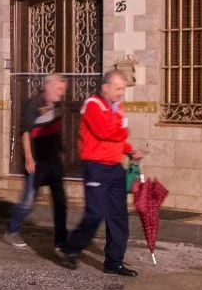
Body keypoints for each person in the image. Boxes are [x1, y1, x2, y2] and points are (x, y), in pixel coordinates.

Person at [62, 71, 145, 276]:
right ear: (105, 87)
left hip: (115, 167)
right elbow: (105, 132)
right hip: (96, 167)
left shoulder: (117, 107)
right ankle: (71, 248)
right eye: (118, 88)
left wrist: (130, 150)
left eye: (123, 89)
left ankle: (114, 262)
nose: (121, 93)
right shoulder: (93, 105)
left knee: (118, 217)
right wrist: (124, 132)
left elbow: (117, 138)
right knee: (96, 213)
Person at [3, 73, 68, 250]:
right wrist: (29, 158)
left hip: (53, 161)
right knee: (29, 199)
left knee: (60, 201)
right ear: (48, 86)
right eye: (59, 88)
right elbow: (25, 132)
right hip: (38, 162)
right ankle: (11, 231)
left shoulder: (57, 105)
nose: (62, 93)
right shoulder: (33, 103)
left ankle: (61, 240)